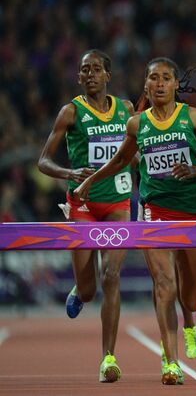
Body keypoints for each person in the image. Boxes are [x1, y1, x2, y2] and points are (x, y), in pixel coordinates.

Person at [74, 57, 196, 385]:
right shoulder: (137, 124)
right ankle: (170, 362)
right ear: (146, 86)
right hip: (155, 212)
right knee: (163, 284)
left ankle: (189, 324)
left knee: (194, 297)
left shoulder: (195, 118)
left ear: (175, 85)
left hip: (193, 212)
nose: (159, 84)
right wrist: (88, 182)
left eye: (166, 78)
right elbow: (119, 161)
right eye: (153, 78)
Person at [37, 49, 133, 383]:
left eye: (95, 69)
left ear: (108, 75)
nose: (89, 74)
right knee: (91, 289)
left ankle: (108, 357)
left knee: (112, 276)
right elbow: (43, 162)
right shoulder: (70, 112)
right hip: (83, 206)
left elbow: (134, 155)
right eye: (84, 70)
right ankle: (80, 290)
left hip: (119, 204)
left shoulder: (127, 110)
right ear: (79, 77)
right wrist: (69, 172)